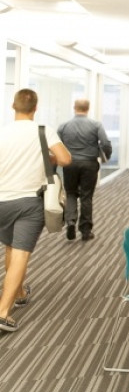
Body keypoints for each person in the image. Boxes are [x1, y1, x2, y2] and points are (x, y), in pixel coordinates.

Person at [0, 89, 72, 332]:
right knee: (21, 253)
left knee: (10, 247)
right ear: (36, 108)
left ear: (13, 106)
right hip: (29, 202)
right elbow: (65, 159)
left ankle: (20, 292)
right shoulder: (42, 130)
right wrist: (48, 159)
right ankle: (3, 313)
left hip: (2, 201)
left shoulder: (3, 131)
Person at [57, 99, 112, 241]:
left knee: (70, 193)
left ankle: (70, 222)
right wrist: (107, 156)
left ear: (74, 107)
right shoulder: (96, 125)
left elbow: (57, 145)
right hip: (89, 164)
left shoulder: (64, 126)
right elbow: (105, 143)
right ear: (88, 108)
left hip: (70, 164)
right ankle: (86, 231)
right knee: (86, 196)